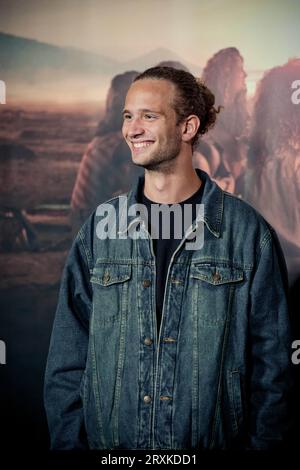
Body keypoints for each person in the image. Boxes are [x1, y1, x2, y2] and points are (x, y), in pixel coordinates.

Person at [44, 66, 292, 451]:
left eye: (149, 116)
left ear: (188, 127)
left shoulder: (247, 234)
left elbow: (273, 372)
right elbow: (67, 359)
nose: (132, 129)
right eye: (128, 115)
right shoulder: (99, 230)